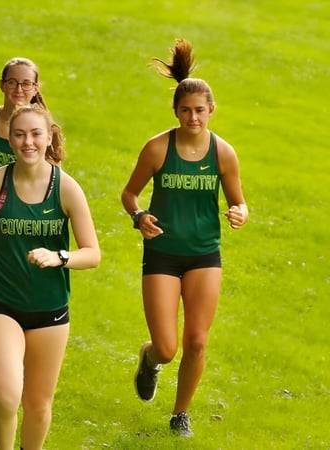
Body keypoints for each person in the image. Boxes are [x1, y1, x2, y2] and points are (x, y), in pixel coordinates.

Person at [120, 38, 249, 437]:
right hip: (162, 254)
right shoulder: (158, 148)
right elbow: (129, 194)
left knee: (196, 341)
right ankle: (150, 359)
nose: (193, 118)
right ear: (175, 111)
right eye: (185, 111)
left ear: (211, 110)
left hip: (204, 254)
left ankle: (180, 415)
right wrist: (139, 216)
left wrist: (239, 213)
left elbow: (239, 202)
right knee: (168, 346)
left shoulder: (223, 153)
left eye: (199, 111)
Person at [0, 105, 100, 450]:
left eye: (36, 134)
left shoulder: (66, 189)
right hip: (0, 304)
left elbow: (92, 253)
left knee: (37, 406)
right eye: (19, 134)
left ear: (49, 137)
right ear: (9, 139)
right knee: (6, 397)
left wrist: (59, 257)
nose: (28, 142)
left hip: (50, 310)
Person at [0, 57, 63, 376]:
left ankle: (19, 341)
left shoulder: (40, 128)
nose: (18, 89)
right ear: (2, 85)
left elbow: (52, 175)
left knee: (21, 283)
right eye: (12, 82)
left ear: (36, 89)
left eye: (26, 84)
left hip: (24, 223)